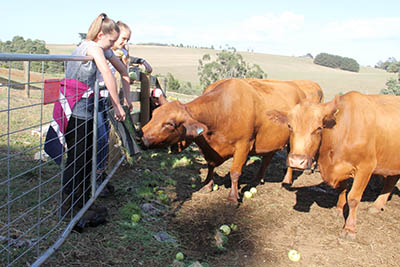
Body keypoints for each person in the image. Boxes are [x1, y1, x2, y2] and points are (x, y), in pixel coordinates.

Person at [60, 13, 132, 220]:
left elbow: (120, 68)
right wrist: (117, 104)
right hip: (76, 114)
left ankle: (82, 204)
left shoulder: (101, 48)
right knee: (77, 161)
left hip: (86, 112)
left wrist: (126, 91)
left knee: (86, 160)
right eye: (111, 41)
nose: (113, 45)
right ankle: (69, 211)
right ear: (100, 35)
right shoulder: (91, 48)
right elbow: (108, 73)